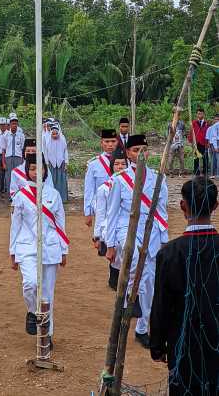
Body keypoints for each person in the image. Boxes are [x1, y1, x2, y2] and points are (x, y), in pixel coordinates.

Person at [150, 177, 219, 396]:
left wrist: (158, 345)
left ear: (182, 205)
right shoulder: (169, 253)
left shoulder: (169, 253)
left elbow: (161, 304)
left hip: (182, 344)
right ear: (216, 206)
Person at [105, 134, 168, 349]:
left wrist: (164, 238)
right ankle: (126, 306)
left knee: (149, 282)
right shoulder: (120, 179)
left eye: (144, 149)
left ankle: (142, 328)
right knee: (132, 263)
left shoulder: (158, 178)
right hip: (126, 229)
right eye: (135, 150)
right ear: (128, 153)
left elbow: (162, 210)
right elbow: (112, 213)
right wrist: (110, 244)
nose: (140, 153)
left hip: (151, 231)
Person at [10, 153, 69, 348]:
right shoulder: (20, 196)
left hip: (51, 247)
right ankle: (31, 311)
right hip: (26, 247)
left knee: (47, 295)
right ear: (27, 171)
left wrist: (64, 250)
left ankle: (47, 334)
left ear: (46, 170)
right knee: (30, 284)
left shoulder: (54, 195)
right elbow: (15, 226)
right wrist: (12, 252)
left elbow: (60, 224)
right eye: (32, 168)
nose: (36, 172)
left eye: (40, 168)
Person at [93, 151, 128, 290]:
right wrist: (97, 237)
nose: (120, 167)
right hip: (110, 227)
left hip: (127, 225)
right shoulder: (104, 189)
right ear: (111, 166)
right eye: (117, 164)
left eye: (123, 164)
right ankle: (114, 278)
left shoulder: (134, 186)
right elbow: (100, 213)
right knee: (116, 255)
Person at [84, 129, 118, 228]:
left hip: (120, 207)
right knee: (101, 237)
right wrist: (88, 212)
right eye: (107, 141)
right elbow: (89, 190)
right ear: (101, 143)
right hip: (101, 207)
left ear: (117, 142)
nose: (110, 144)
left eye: (113, 141)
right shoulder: (93, 164)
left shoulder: (125, 162)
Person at [45, 124, 69, 202]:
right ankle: (52, 198)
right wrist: (46, 162)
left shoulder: (62, 140)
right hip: (51, 164)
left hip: (60, 164)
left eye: (56, 134)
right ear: (51, 133)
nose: (55, 135)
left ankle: (62, 198)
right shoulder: (48, 141)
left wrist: (66, 163)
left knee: (61, 182)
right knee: (51, 181)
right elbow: (45, 152)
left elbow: (65, 152)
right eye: (53, 134)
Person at [2, 115, 25, 197]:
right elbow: (3, 150)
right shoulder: (5, 136)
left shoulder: (21, 136)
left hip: (18, 158)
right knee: (9, 177)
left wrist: (23, 161)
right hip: (8, 158)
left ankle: (19, 195)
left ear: (17, 125)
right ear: (10, 125)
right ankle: (10, 196)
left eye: (15, 124)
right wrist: (4, 163)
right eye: (12, 124)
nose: (14, 125)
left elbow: (23, 150)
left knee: (18, 176)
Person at [188, 108, 209, 175]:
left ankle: (205, 172)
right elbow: (191, 132)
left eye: (201, 113)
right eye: (198, 113)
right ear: (197, 114)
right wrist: (191, 141)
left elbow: (209, 133)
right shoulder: (194, 123)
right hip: (196, 143)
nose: (199, 115)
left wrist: (208, 142)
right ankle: (196, 172)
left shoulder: (207, 123)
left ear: (203, 114)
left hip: (204, 143)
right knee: (196, 159)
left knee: (205, 158)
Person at [0, 117, 8, 197]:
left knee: (6, 173)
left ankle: (5, 189)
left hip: (6, 155)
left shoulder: (9, 133)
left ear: (6, 125)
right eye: (1, 125)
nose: (2, 126)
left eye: (4, 125)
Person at [206, 113, 219, 179]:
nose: (216, 120)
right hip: (212, 144)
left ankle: (216, 173)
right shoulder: (210, 128)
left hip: (215, 143)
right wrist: (213, 146)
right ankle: (213, 173)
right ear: (213, 120)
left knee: (216, 159)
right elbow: (209, 137)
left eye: (218, 119)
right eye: (215, 119)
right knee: (214, 159)